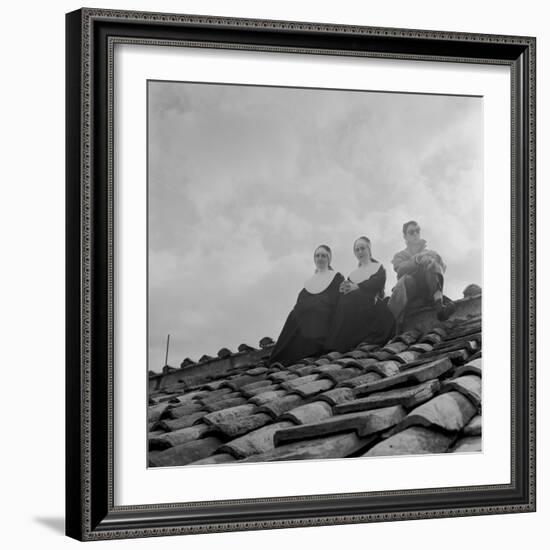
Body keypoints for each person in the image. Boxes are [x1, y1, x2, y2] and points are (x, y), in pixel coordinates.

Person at [269, 245, 344, 366]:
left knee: (316, 311)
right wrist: (309, 304)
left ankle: (312, 349)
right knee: (294, 315)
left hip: (326, 312)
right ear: (314, 259)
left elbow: (335, 297)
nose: (320, 258)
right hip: (309, 311)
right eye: (317, 256)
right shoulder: (310, 282)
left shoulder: (336, 277)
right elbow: (301, 301)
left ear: (329, 259)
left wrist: (316, 302)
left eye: (323, 256)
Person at [324, 236, 395, 353]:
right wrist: (344, 289)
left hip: (371, 305)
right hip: (352, 309)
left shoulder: (378, 267)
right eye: (357, 250)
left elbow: (377, 284)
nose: (360, 252)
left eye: (362, 248)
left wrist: (356, 286)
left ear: (369, 249)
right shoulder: (352, 274)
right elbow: (348, 290)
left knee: (352, 297)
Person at [387, 220, 455, 323]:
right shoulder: (400, 256)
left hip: (429, 290)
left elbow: (443, 268)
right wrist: (417, 260)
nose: (415, 234)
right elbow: (400, 269)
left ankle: (439, 308)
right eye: (411, 232)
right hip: (411, 292)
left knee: (431, 265)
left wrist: (432, 260)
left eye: (417, 231)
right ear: (405, 236)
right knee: (407, 279)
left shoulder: (430, 252)